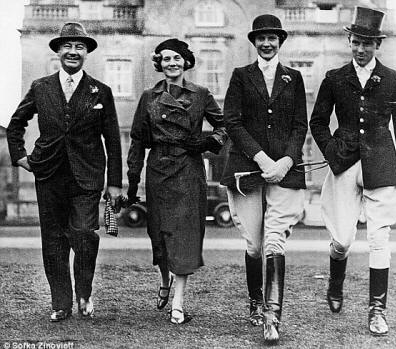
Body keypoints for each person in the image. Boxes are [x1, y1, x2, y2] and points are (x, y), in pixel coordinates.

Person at [309, 7, 396, 336]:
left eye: (367, 44)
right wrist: (330, 151)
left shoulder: (394, 81)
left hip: (383, 167)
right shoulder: (334, 78)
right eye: (356, 42)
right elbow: (317, 122)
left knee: (378, 239)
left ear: (377, 45)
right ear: (349, 41)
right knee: (341, 241)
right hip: (343, 164)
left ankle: (377, 311)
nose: (360, 49)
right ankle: (335, 284)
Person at [6, 22, 122, 322]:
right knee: (54, 241)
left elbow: (113, 139)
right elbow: (16, 124)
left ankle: (84, 293)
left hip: (87, 177)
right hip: (49, 175)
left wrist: (115, 184)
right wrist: (20, 157)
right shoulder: (40, 87)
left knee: (84, 233)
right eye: (67, 46)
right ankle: (61, 302)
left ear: (86, 53)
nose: (73, 51)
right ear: (58, 50)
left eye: (79, 47)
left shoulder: (101, 91)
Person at [126, 38, 227, 325]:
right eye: (166, 58)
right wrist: (133, 180)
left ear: (186, 62)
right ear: (160, 63)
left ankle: (178, 303)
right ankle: (164, 280)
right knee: (158, 233)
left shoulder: (201, 94)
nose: (172, 63)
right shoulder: (149, 96)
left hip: (188, 170)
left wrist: (208, 142)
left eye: (177, 58)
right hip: (158, 170)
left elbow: (224, 126)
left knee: (184, 235)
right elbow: (136, 140)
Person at [220, 14, 308, 343]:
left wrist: (285, 161)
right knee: (255, 245)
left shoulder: (294, 78)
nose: (267, 43)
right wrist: (261, 158)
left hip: (285, 172)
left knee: (274, 242)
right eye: (261, 38)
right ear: (254, 42)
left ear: (280, 41)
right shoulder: (242, 76)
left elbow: (301, 125)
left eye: (273, 38)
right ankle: (256, 302)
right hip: (248, 169)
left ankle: (272, 317)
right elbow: (232, 120)